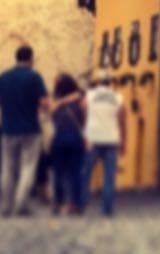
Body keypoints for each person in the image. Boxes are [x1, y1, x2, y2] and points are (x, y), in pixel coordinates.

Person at [0, 44, 48, 217]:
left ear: (16, 58)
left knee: (7, 168)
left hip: (8, 129)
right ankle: (20, 205)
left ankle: (5, 206)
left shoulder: (3, 77)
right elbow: (44, 103)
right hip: (30, 128)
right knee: (28, 168)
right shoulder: (34, 77)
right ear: (30, 59)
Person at [82, 73, 126, 217]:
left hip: (93, 138)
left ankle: (82, 203)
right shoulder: (118, 98)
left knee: (85, 173)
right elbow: (122, 122)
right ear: (110, 82)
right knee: (109, 176)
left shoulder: (89, 95)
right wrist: (123, 141)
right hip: (111, 139)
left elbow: (82, 112)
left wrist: (85, 132)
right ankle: (106, 208)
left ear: (99, 82)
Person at [49, 73, 87, 215]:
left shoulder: (55, 102)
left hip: (59, 137)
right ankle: (75, 204)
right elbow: (84, 119)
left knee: (58, 172)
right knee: (76, 172)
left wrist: (59, 103)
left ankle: (58, 203)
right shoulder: (80, 101)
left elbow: (52, 117)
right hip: (75, 137)